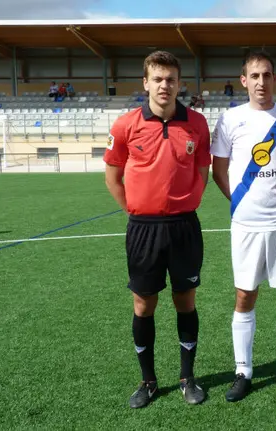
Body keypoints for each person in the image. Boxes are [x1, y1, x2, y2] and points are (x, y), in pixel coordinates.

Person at [103, 51, 211, 408]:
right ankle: (148, 381)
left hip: (184, 226)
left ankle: (187, 377)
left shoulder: (197, 124)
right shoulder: (125, 125)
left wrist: (186, 202)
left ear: (180, 84)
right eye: (158, 79)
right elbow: (113, 178)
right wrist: (136, 211)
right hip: (143, 229)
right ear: (146, 83)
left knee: (185, 300)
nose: (165, 85)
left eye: (171, 79)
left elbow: (202, 171)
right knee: (143, 303)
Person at [211, 50, 276, 402]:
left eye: (266, 75)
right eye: (254, 76)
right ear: (244, 81)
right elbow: (219, 171)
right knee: (245, 295)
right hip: (246, 226)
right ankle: (243, 371)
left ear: (275, 79)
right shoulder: (230, 120)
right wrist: (240, 202)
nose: (261, 82)